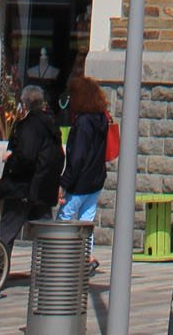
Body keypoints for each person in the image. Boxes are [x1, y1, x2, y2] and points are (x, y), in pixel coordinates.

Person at [0, 84, 64, 252]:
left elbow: (26, 156)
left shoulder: (29, 126)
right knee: (46, 234)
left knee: (7, 233)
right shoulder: (51, 126)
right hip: (43, 188)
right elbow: (57, 156)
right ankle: (51, 271)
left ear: (24, 104)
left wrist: (10, 159)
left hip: (23, 188)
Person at [57, 74, 111, 228]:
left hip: (79, 181)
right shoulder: (102, 120)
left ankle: (60, 251)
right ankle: (86, 252)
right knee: (87, 221)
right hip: (96, 178)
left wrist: (64, 183)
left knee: (64, 218)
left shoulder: (83, 123)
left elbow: (77, 157)